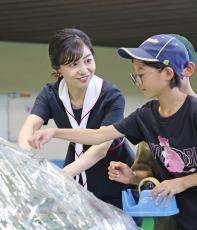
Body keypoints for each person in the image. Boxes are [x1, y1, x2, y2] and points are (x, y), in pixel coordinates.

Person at [28, 34, 197, 230]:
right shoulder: (146, 116)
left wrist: (182, 183)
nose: (137, 81)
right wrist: (54, 132)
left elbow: (179, 179)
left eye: (141, 74)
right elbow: (99, 135)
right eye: (134, 75)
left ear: (168, 73)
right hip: (176, 215)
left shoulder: (193, 112)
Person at [18, 28, 136, 209]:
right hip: (75, 171)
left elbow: (100, 148)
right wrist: (26, 159)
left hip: (114, 175)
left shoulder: (111, 96)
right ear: (58, 70)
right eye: (73, 65)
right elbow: (31, 125)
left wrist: (60, 176)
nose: (84, 70)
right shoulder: (51, 94)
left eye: (88, 60)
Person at [108, 34, 197, 230]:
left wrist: (183, 182)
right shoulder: (150, 119)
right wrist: (134, 178)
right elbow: (156, 177)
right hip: (169, 220)